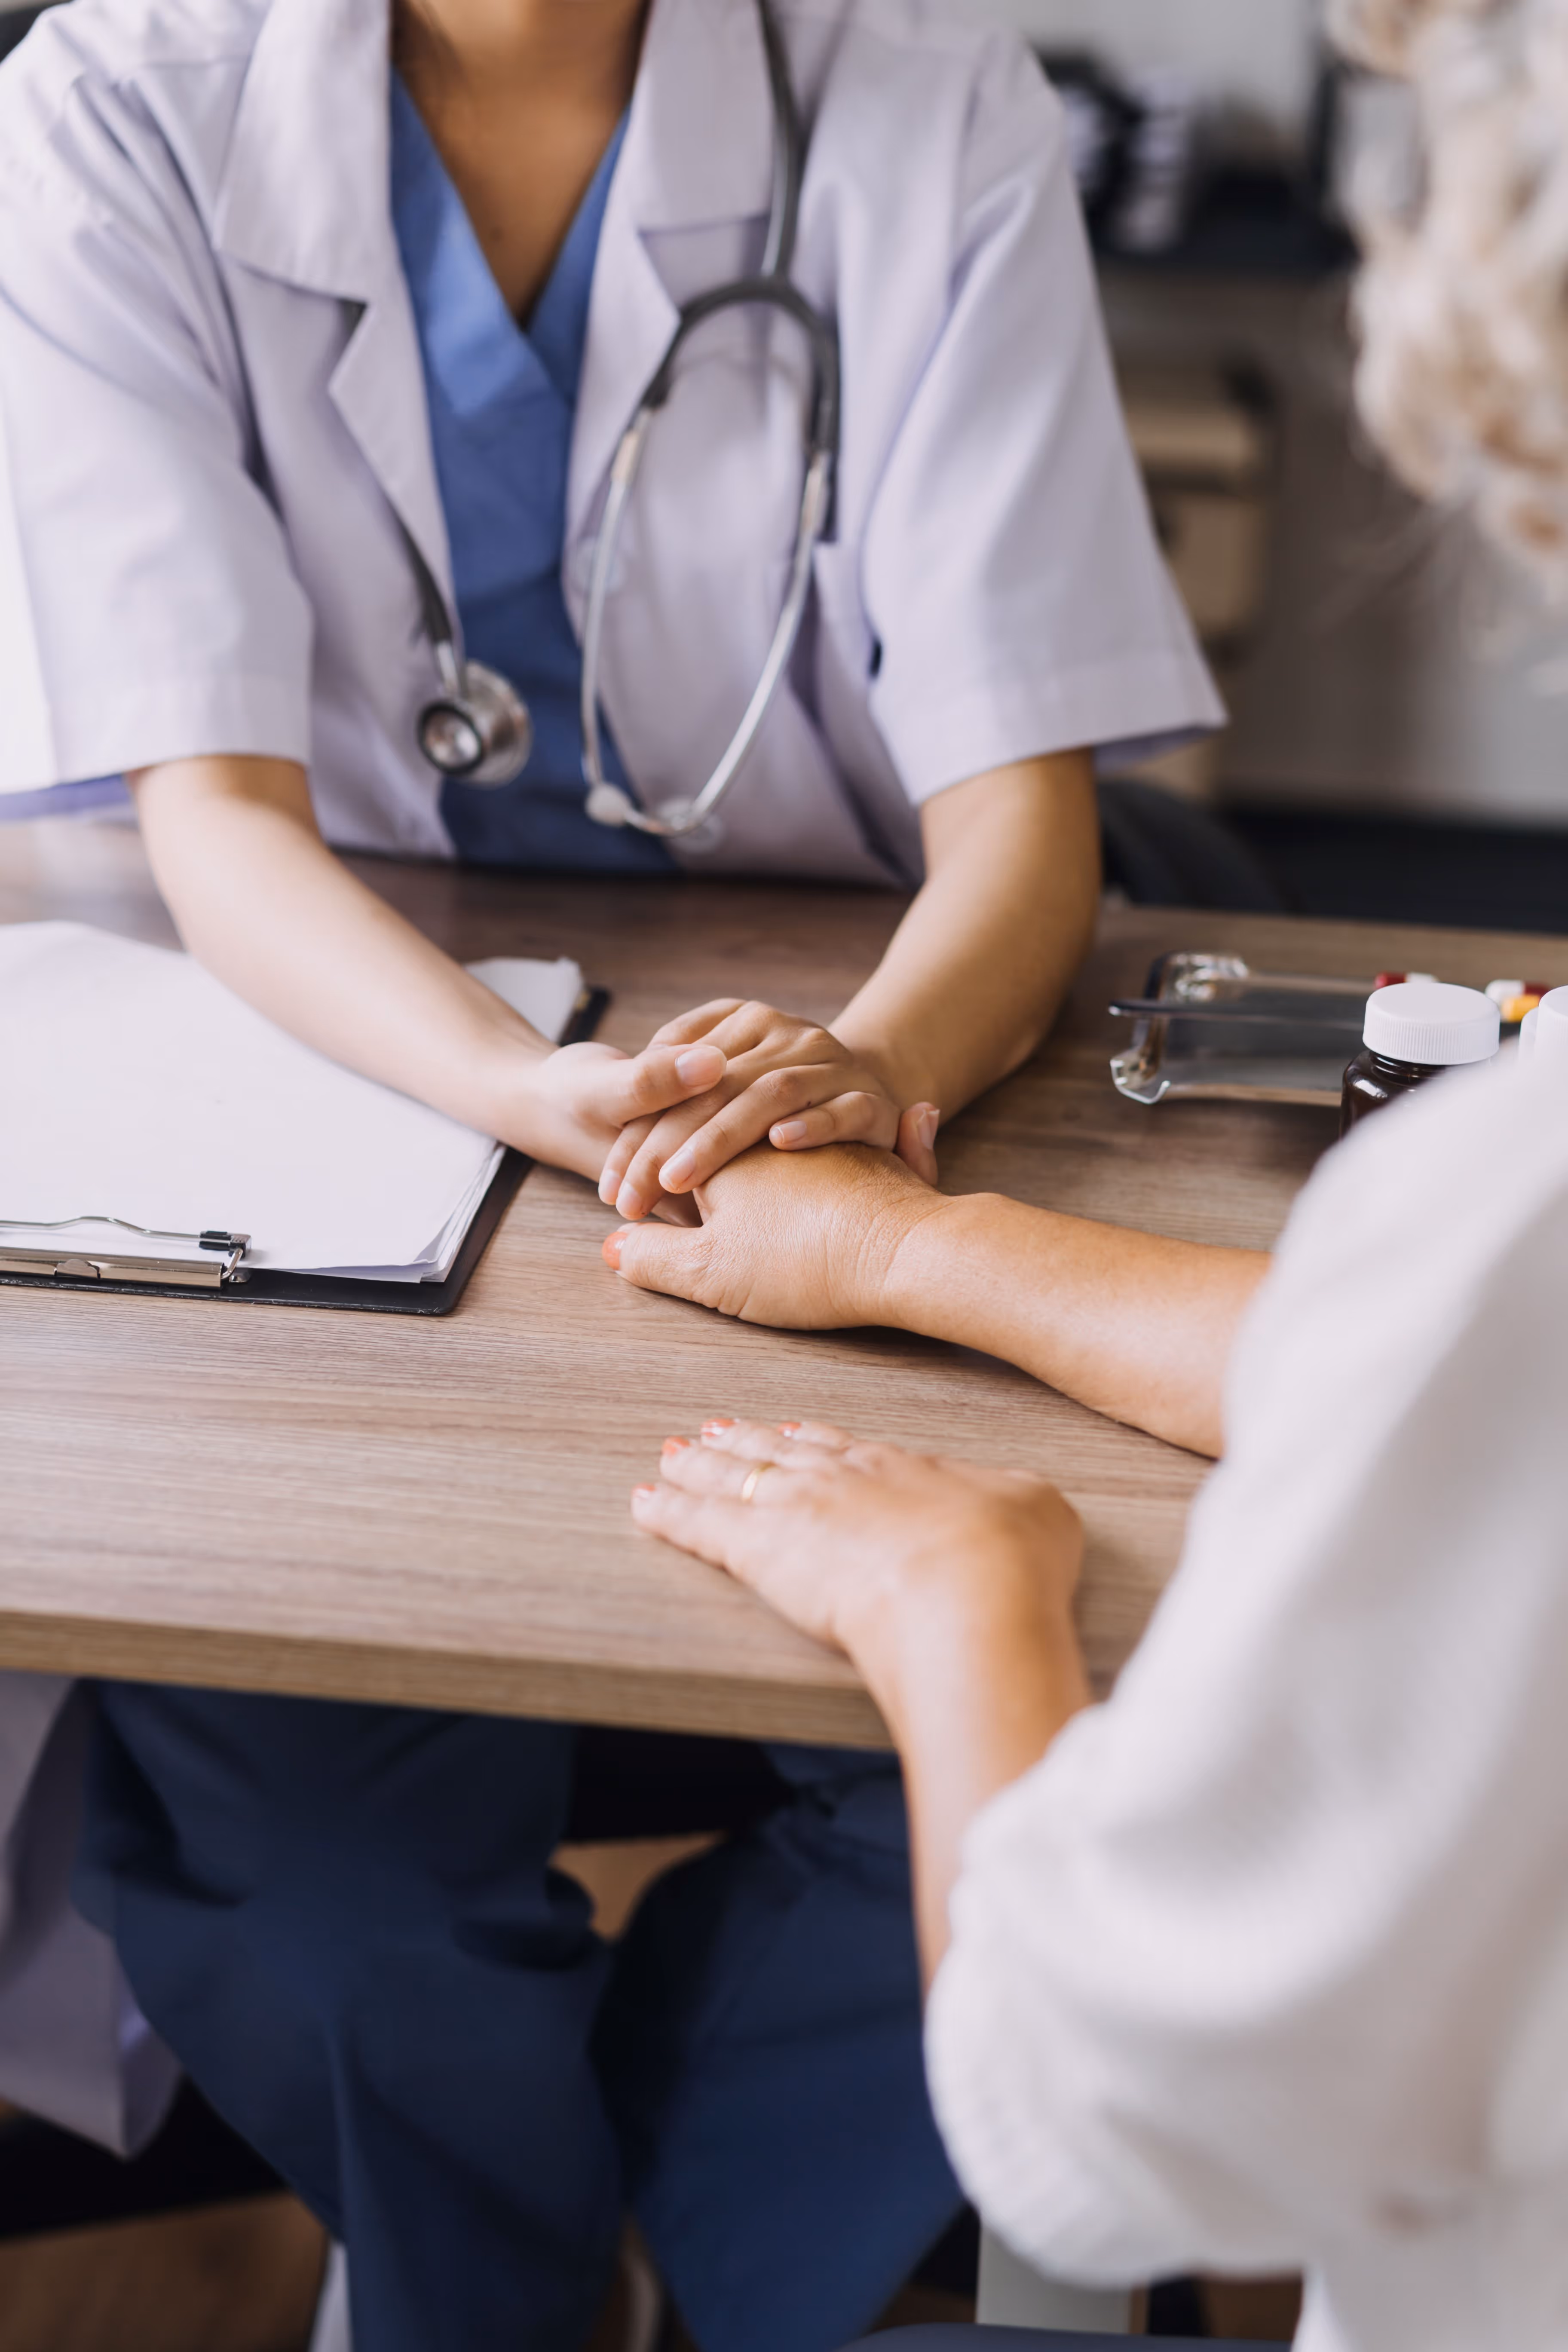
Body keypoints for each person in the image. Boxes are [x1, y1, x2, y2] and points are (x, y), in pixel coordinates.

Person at [0, 0, 1219, 2345]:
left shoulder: (917, 83)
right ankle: (495, 2287)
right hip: (341, 1062)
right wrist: (510, 1081)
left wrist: (866, 1072)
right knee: (311, 1885)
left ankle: (729, 2244)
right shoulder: (110, 102)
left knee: (1033, 1747)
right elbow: (213, 810)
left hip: (850, 1063)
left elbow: (1022, 815)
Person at [621, 4, 1568, 2342]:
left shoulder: (1506, 1222)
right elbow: (1424, 1369)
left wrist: (956, 1595)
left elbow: (1100, 2121)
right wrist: (918, 1251)